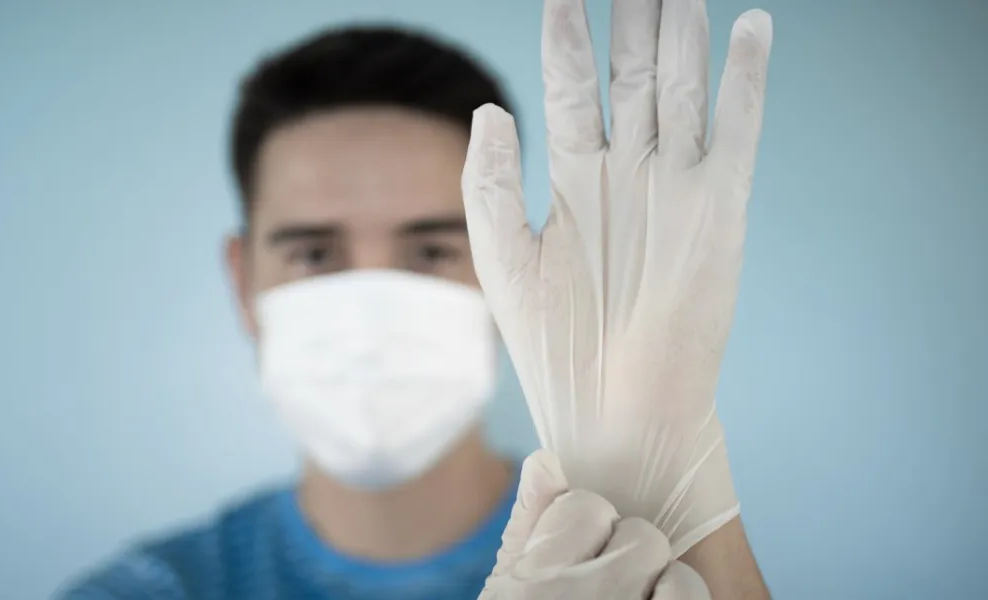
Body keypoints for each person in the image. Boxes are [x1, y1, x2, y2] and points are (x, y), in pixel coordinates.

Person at [59, 0, 775, 598]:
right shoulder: (154, 590)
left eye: (430, 251)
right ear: (242, 280)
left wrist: (666, 504)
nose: (372, 306)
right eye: (315, 254)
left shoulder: (642, 558)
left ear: (509, 269)